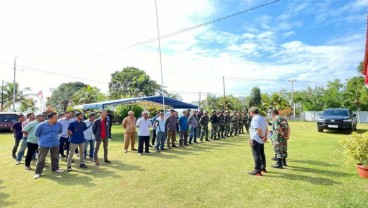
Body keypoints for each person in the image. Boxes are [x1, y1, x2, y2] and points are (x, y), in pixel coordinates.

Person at [34, 112, 64, 179]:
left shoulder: (59, 124)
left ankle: (55, 169)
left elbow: (60, 132)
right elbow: (36, 134)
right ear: (50, 118)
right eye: (55, 117)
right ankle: (38, 173)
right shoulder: (41, 125)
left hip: (55, 143)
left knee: (55, 157)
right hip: (44, 144)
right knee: (41, 159)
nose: (57, 118)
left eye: (57, 117)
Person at [248, 107, 268, 176]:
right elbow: (266, 129)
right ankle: (263, 168)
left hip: (256, 139)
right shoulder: (262, 118)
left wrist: (262, 137)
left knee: (256, 155)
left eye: (250, 113)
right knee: (262, 154)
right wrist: (265, 137)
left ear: (252, 112)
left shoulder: (255, 119)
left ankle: (257, 171)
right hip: (261, 139)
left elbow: (258, 130)